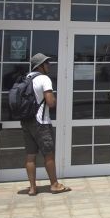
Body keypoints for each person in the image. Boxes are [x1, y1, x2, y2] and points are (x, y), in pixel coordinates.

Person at [22, 52, 70, 196]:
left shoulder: (27, 78)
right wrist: (53, 100)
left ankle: (32, 188)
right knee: (48, 154)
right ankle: (54, 184)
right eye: (46, 63)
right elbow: (50, 102)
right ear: (40, 66)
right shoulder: (44, 79)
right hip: (41, 122)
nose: (49, 65)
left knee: (30, 155)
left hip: (26, 121)